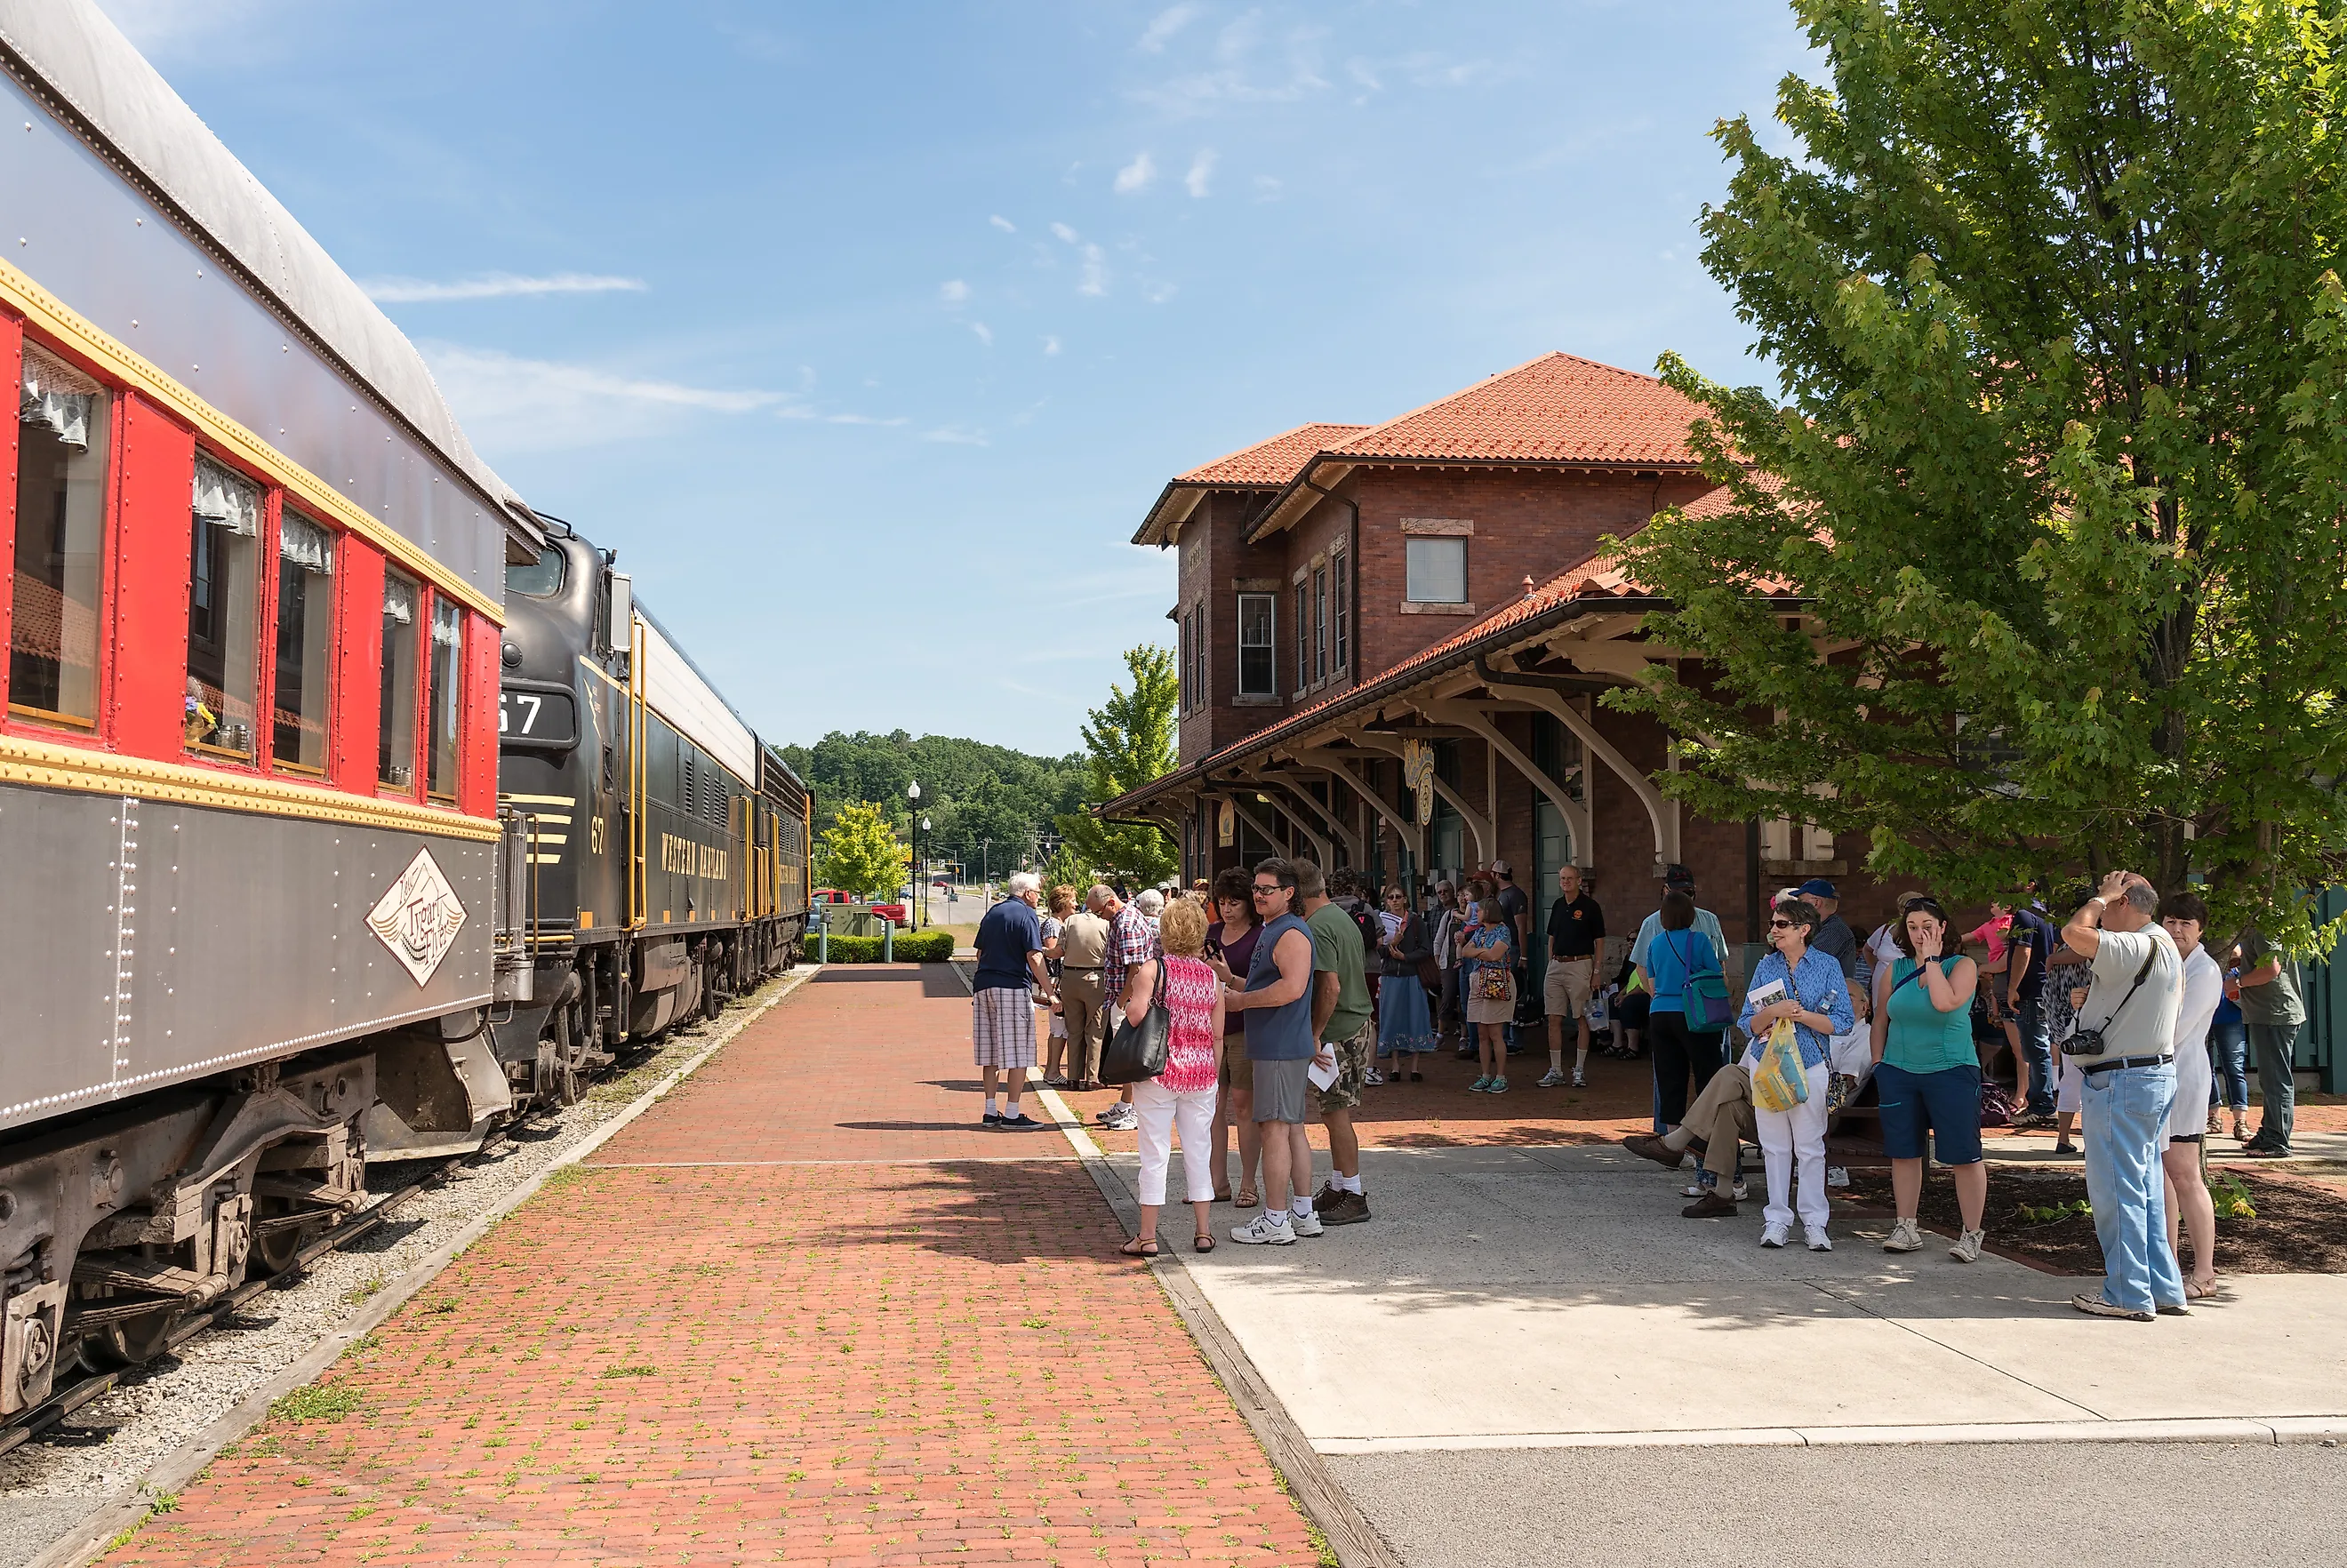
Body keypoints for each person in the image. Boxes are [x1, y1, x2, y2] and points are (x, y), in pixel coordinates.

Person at [2060, 872, 2188, 1319]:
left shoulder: (2134, 943)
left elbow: (2074, 934)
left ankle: (2127, 1294)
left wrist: (2099, 897)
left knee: (2118, 1191)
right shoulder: (2164, 945)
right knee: (2146, 1188)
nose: (2102, 912)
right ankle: (2163, 1289)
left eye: (2111, 903)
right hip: (2150, 1077)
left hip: (2121, 1081)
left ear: (2125, 902)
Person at [1218, 858, 1329, 1245]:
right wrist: (1233, 984)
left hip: (1279, 1047)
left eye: (1267, 889)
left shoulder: (1291, 933)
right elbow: (1273, 983)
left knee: (1275, 1130)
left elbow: (1292, 988)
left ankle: (1277, 1218)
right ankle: (1301, 1212)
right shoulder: (1276, 929)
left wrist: (1240, 1001)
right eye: (1256, 889)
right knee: (1291, 1128)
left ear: (1289, 892)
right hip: (1277, 1044)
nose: (1259, 895)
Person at [1870, 895, 1988, 1260]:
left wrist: (1933, 961)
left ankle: (1970, 1234)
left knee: (1962, 1155)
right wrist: (1879, 1063)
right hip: (1899, 1071)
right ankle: (1906, 1226)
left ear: (1942, 928)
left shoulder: (1962, 965)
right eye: (1911, 927)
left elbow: (1944, 1003)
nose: (1919, 933)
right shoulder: (1895, 968)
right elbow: (1880, 1018)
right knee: (1904, 1152)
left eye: (1927, 926)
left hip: (1951, 1070)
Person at [1737, 899, 1855, 1250]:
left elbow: (1843, 1022)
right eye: (1773, 923)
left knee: (1810, 1146)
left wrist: (1799, 1015)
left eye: (1782, 924)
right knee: (1774, 1146)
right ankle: (1776, 1220)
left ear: (1804, 929)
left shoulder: (1827, 965)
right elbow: (1747, 1022)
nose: (1774, 929)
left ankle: (1815, 1222)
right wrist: (1773, 1009)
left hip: (1811, 1063)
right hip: (1768, 1062)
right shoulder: (1766, 967)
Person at [1117, 895, 1224, 1258]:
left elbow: (1134, 1016)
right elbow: (1218, 1033)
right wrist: (1214, 1074)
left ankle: (1147, 1235)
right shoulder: (1211, 977)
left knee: (1154, 1152)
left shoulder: (1153, 969)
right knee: (1199, 1150)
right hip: (1201, 1073)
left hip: (1159, 1073)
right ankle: (1204, 1231)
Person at [1299, 861, 1376, 1226]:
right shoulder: (1340, 917)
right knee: (1332, 1112)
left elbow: (1330, 986)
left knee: (1336, 1113)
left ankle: (1355, 1194)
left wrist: (1314, 1033)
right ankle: (1341, 1184)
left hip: (1338, 1032)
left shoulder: (1317, 927)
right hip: (1353, 1023)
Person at [2159, 893, 2224, 1302]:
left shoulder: (2205, 970)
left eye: (2186, 923)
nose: (2177, 930)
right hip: (2154, 1078)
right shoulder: (2161, 962)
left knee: (2184, 1173)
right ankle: (2167, 1268)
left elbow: (2176, 1029)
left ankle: (2205, 1272)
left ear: (2200, 930)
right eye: (2171, 921)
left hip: (2184, 1079)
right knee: (2161, 1177)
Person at [969, 872, 1055, 1130]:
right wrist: (1050, 991)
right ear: (1027, 893)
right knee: (1018, 1052)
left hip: (983, 985)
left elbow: (979, 953)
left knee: (991, 1051)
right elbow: (1034, 955)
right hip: (1012, 985)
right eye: (1038, 892)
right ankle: (1013, 1113)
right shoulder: (1027, 914)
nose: (1039, 897)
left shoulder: (993, 913)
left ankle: (990, 1110)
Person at [1636, 890, 1722, 1131]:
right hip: (1693, 1013)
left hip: (1660, 1013)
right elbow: (1716, 975)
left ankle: (1672, 1140)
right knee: (1708, 1073)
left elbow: (1651, 984)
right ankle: (1706, 1131)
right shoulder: (1699, 940)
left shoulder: (1655, 944)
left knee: (1669, 1077)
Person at [1093, 883, 1159, 1133]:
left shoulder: (1126, 923)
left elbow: (1136, 968)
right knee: (1126, 1056)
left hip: (1130, 999)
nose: (1099, 917)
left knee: (1131, 1057)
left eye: (1099, 912)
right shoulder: (1122, 919)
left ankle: (1135, 1111)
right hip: (1124, 996)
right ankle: (1125, 1105)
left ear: (1111, 902)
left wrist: (1121, 1002)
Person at [2235, 922, 2303, 1157]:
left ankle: (2277, 1142)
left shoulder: (2265, 925)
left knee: (2276, 1079)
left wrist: (2237, 983)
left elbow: (2271, 969)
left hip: (2274, 1013)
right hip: (2269, 1013)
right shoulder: (2275, 920)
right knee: (2269, 1077)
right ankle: (2268, 1133)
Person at [1543, 865, 1605, 1088]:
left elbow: (1599, 941)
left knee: (1582, 1018)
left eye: (1570, 878)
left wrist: (1596, 971)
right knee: (1553, 1018)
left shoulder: (1591, 907)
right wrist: (1551, 960)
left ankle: (1579, 1070)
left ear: (1579, 880)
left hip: (1581, 964)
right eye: (1562, 879)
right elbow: (1551, 935)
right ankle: (1556, 1069)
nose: (1566, 882)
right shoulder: (1558, 905)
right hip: (1557, 965)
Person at [2005, 891, 2062, 1129]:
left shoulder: (2024, 916)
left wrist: (2012, 988)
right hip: (2045, 991)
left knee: (2035, 1050)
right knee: (2040, 1049)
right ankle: (2043, 1104)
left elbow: (2023, 951)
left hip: (2029, 992)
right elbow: (2057, 947)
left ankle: (2042, 1107)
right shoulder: (2048, 916)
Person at [1375, 885, 1435, 1084]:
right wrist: (1394, 943)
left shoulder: (1416, 922)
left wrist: (1406, 957)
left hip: (1412, 975)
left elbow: (1426, 948)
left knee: (1415, 1018)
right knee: (1392, 1018)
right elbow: (1379, 951)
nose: (1394, 900)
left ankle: (1415, 1067)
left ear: (1405, 899)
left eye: (1398, 897)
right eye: (1390, 897)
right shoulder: (1382, 922)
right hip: (1391, 975)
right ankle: (1394, 1067)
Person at [1462, 894, 1519, 1092]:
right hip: (1478, 981)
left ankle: (1501, 1077)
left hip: (1496, 983)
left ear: (1489, 911)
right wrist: (1482, 951)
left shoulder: (1503, 931)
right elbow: (1465, 951)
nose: (1475, 913)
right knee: (1481, 1033)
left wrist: (1479, 951)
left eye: (1479, 910)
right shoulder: (1479, 932)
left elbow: (1496, 955)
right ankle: (1485, 1075)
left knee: (1495, 1033)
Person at [1057, 893, 1112, 1092]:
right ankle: (1092, 1077)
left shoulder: (1071, 920)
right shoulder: (1105, 924)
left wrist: (1045, 953)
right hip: (1096, 978)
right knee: (1095, 1030)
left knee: (1074, 1030)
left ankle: (1073, 1077)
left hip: (1070, 978)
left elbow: (1060, 950)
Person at [1488, 860, 1532, 1055]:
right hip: (1501, 949)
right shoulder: (1502, 895)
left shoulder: (1515, 895)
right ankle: (1505, 1037)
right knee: (1501, 992)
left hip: (1513, 948)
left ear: (1497, 875)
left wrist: (1524, 955)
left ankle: (1516, 1039)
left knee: (1514, 993)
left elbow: (1522, 927)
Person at [2207, 958, 2250, 1143]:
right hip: (2203, 1014)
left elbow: (2239, 954)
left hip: (2231, 1015)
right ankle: (2213, 1118)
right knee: (2205, 1069)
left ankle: (2241, 1122)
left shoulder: (2235, 936)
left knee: (2234, 1068)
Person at [1038, 885, 1075, 1085]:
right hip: (1056, 982)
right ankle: (1052, 1071)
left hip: (1057, 983)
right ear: (1063, 903)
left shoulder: (1058, 923)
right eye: (1072, 900)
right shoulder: (1054, 925)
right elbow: (1054, 952)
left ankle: (1051, 1070)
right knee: (1059, 1027)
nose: (1076, 904)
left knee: (1058, 1028)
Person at [1429, 881, 1466, 1043]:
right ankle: (1441, 1033)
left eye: (1465, 895)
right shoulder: (1448, 915)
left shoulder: (1475, 915)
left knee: (1464, 999)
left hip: (1468, 964)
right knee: (1447, 996)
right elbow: (1437, 939)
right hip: (1448, 963)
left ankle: (1464, 1036)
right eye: (1440, 892)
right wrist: (1437, 960)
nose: (1443, 894)